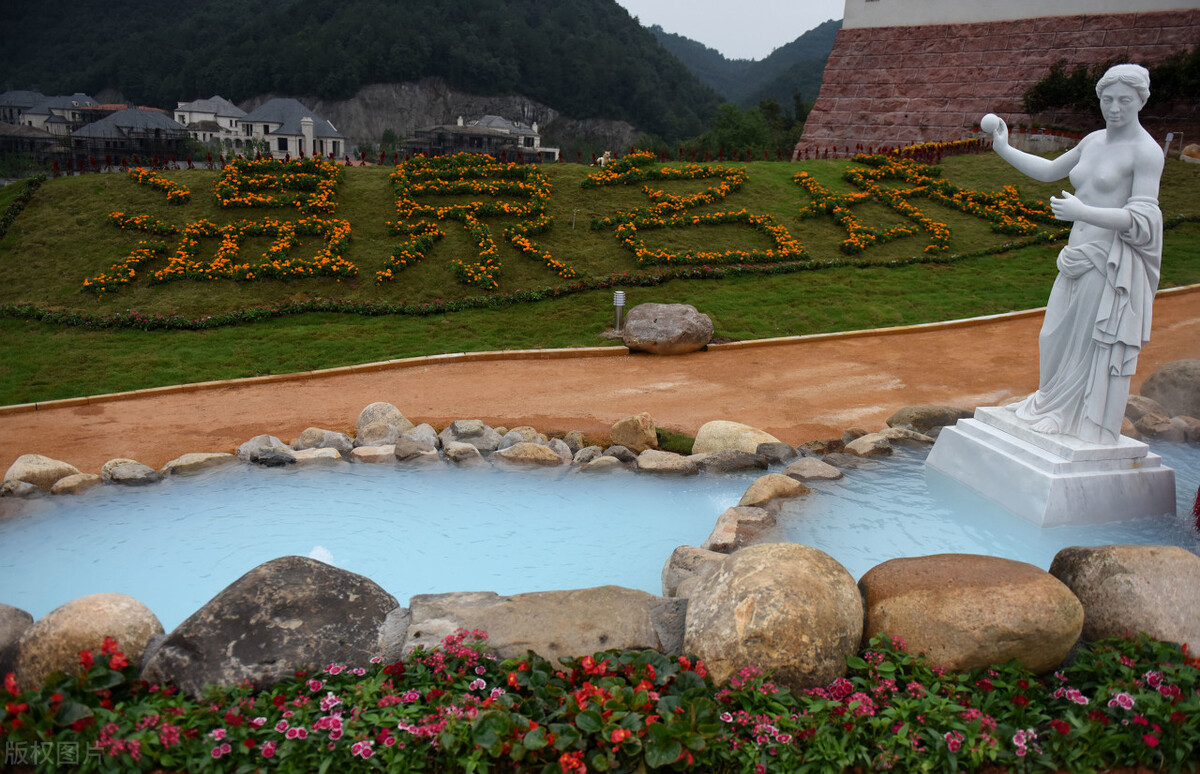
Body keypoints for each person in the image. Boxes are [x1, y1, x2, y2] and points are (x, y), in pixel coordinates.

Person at [982, 63, 1164, 445]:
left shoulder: (1146, 152)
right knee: (1053, 337)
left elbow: (1143, 218)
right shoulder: (1093, 141)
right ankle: (1049, 402)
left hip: (1105, 263)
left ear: (1141, 101)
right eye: (1107, 99)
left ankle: (1066, 415)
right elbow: (1050, 171)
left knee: (1084, 342)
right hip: (1073, 257)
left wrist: (1083, 212)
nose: (1114, 108)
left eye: (1124, 100)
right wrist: (1004, 148)